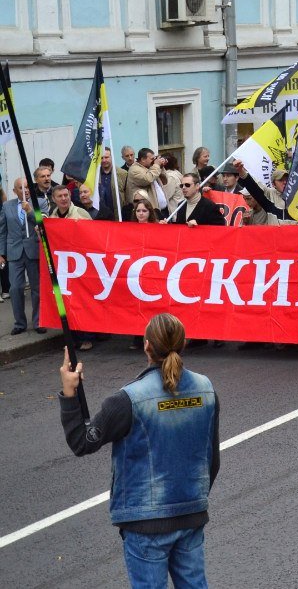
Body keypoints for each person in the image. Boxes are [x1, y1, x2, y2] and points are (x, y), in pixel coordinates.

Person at [59, 313, 220, 589]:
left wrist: (70, 393)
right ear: (184, 344)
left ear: (146, 346)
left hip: (145, 523)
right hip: (191, 512)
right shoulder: (206, 389)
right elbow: (211, 459)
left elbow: (83, 442)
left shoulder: (128, 399)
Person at [1, 177, 42, 335]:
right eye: (20, 188)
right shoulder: (7, 206)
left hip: (33, 251)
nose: (24, 190)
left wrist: (30, 212)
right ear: (14, 191)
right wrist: (1, 253)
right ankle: (19, 323)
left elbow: (42, 223)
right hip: (14, 252)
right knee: (16, 288)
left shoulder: (39, 203)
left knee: (36, 289)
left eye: (27, 187)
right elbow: (2, 231)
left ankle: (38, 321)